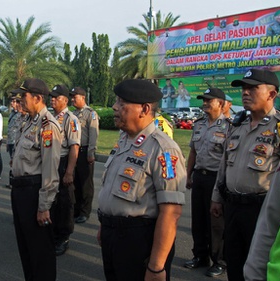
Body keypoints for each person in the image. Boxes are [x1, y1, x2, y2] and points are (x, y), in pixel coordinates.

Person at [98, 79, 186, 281]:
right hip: (113, 235)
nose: (114, 107)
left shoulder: (164, 149)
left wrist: (156, 266)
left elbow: (171, 212)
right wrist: (106, 226)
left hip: (139, 240)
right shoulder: (124, 140)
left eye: (122, 102)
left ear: (144, 109)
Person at [210, 69, 280, 281]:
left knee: (258, 264)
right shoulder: (238, 125)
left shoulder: (279, 127)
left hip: (261, 210)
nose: (245, 93)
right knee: (234, 262)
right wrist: (216, 196)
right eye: (244, 88)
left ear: (271, 94)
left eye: (252, 88)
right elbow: (224, 164)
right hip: (232, 206)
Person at [11, 78, 62, 281]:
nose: (20, 99)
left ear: (38, 98)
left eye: (24, 95)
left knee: (40, 252)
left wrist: (44, 206)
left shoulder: (48, 126)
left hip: (34, 193)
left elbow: (50, 169)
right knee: (26, 249)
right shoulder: (29, 122)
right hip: (21, 191)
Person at [183, 88, 228, 277]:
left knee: (216, 222)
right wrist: (188, 174)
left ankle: (219, 260)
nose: (205, 103)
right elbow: (193, 152)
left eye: (209, 100)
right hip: (199, 177)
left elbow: (227, 158)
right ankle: (200, 256)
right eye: (204, 99)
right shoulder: (199, 124)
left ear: (221, 104)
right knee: (199, 219)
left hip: (217, 178)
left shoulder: (230, 126)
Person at [49, 84, 80, 256]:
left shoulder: (70, 119)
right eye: (51, 97)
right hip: (51, 163)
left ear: (65, 100)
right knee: (52, 199)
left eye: (56, 97)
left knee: (65, 201)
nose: (52, 99)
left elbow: (74, 147)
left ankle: (63, 237)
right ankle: (53, 232)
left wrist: (69, 172)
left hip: (63, 162)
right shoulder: (50, 117)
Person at [71, 87, 99, 224]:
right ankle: (76, 210)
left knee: (85, 183)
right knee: (75, 182)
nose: (72, 100)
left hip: (85, 151)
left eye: (74, 97)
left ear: (82, 97)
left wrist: (91, 152)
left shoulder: (90, 114)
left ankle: (85, 211)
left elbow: (93, 134)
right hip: (74, 151)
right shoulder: (73, 114)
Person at [6, 94, 20, 188]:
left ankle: (14, 180)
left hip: (16, 141)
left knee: (15, 161)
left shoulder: (21, 114)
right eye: (12, 101)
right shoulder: (12, 113)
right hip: (11, 141)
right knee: (11, 160)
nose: (12, 103)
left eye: (14, 101)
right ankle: (11, 181)